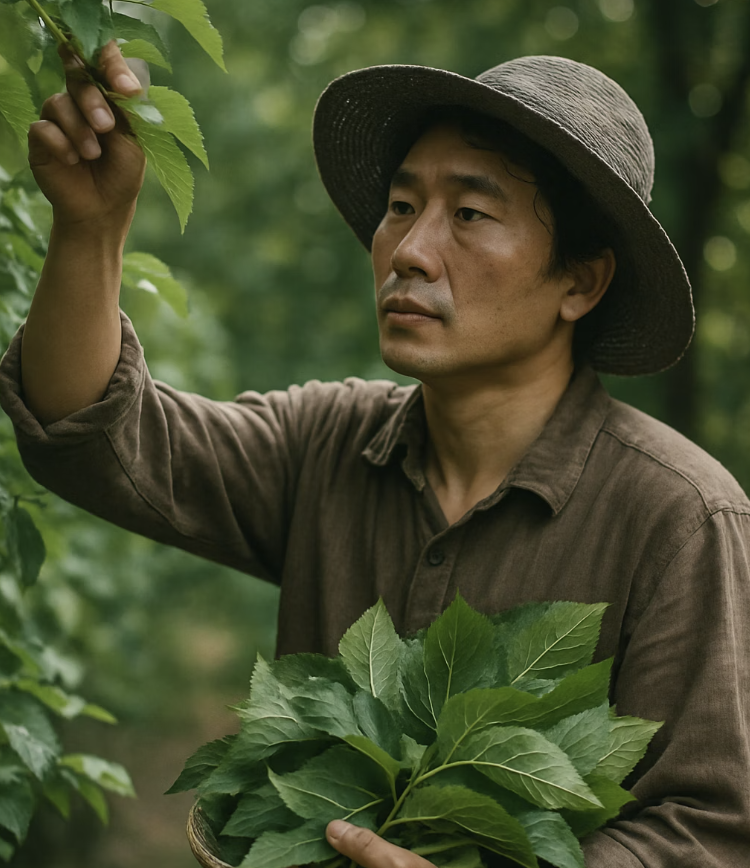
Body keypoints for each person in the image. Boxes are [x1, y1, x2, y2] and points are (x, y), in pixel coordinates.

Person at [0, 43, 748, 868]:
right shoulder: (327, 442)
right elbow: (93, 434)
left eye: (470, 215)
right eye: (400, 205)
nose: (410, 251)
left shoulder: (678, 518)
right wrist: (90, 225)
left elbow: (706, 832)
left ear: (582, 281)